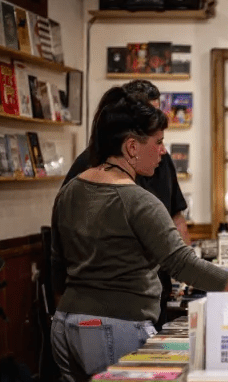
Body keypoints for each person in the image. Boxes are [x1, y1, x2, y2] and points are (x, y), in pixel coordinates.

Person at [50, 88, 228, 382]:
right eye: (158, 142)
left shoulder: (70, 189)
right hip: (114, 326)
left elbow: (58, 260)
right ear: (132, 147)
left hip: (65, 325)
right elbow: (184, 265)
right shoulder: (138, 200)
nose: (163, 151)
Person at [63, 80, 190, 331]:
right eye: (148, 115)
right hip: (107, 308)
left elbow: (177, 218)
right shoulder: (89, 168)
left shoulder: (161, 160)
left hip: (154, 293)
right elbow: (65, 248)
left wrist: (184, 273)